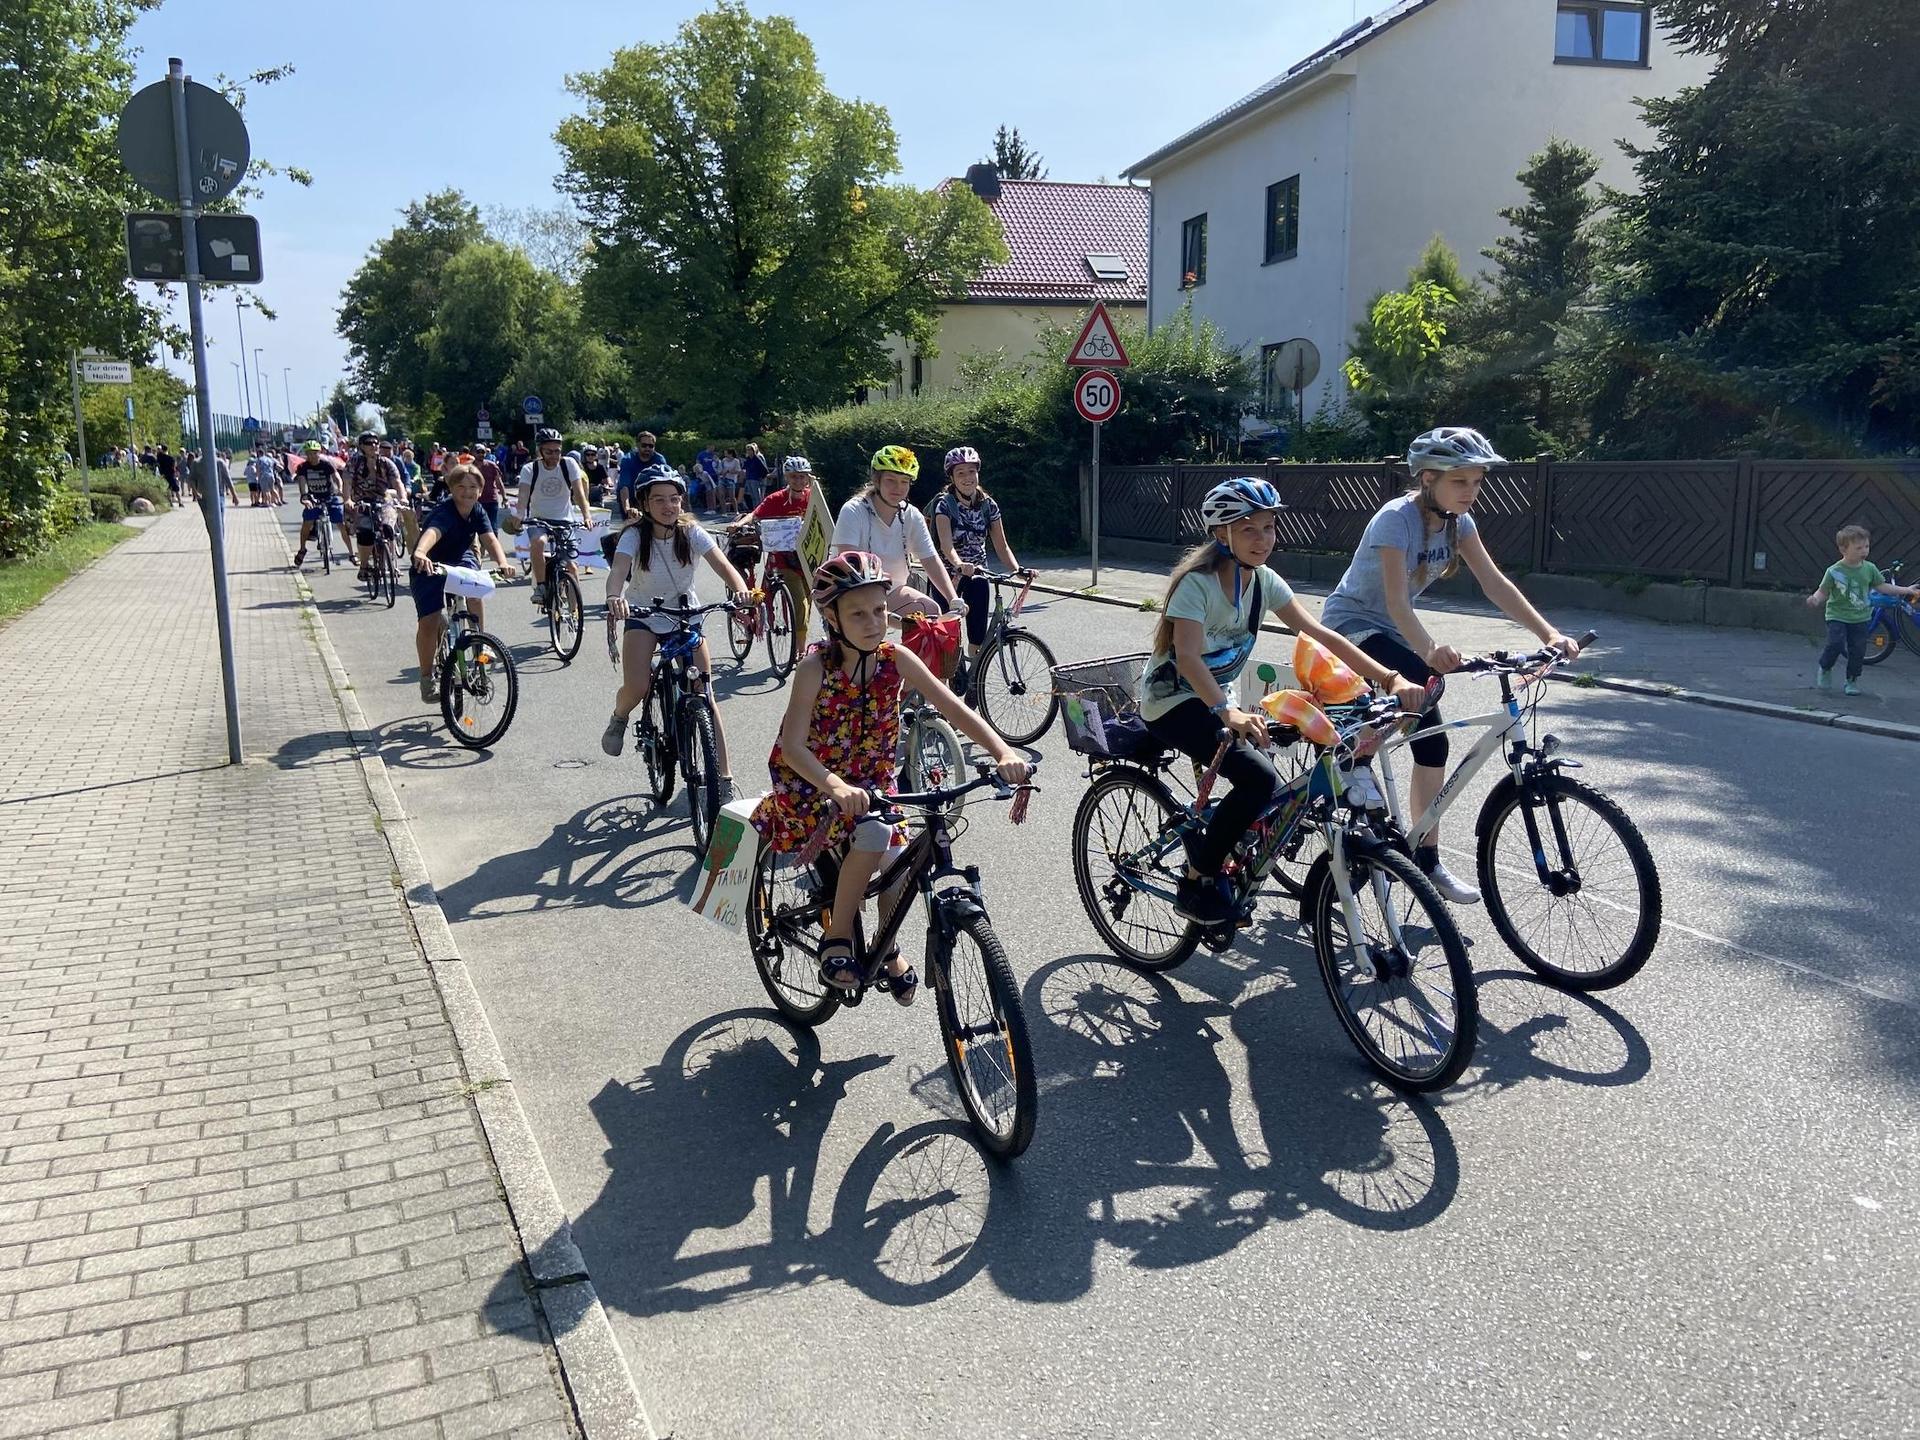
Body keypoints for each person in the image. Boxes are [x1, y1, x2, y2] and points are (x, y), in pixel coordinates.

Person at [1141, 477, 1425, 925]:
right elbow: (1190, 659)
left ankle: (1231, 842)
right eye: (1249, 529)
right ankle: (1197, 876)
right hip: (1173, 701)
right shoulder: (1195, 585)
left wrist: (1388, 677)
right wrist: (1227, 711)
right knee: (1258, 780)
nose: (1263, 539)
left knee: (1271, 785)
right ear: (1222, 534)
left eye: (1269, 527)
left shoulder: (1264, 581)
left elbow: (1321, 635)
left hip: (1217, 698)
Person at [751, 551, 1030, 1003]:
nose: (873, 622)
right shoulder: (814, 668)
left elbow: (952, 708)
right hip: (812, 784)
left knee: (899, 873)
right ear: (832, 618)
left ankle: (887, 946)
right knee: (877, 834)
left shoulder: (895, 658)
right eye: (857, 613)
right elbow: (793, 747)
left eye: (880, 610)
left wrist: (1002, 751)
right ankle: (837, 935)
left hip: (874, 783)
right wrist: (836, 786)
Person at [1321, 427, 1581, 904]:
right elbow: (1397, 603)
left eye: (1477, 481)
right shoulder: (1395, 519)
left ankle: (1424, 855)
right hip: (1351, 627)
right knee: (1426, 705)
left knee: (1429, 741)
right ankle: (1357, 773)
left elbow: (1495, 583)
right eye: (1460, 481)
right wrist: (1429, 650)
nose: (1471, 491)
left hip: (1395, 634)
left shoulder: (1460, 525)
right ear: (1427, 479)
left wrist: (1548, 634)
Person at [600, 467, 750, 800]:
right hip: (643, 614)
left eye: (674, 498)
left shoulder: (692, 532)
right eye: (659, 500)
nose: (669, 506)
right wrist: (615, 598)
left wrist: (740, 591)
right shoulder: (634, 536)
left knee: (705, 697)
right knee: (637, 685)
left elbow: (725, 567)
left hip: (686, 616)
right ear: (645, 503)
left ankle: (723, 781)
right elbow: (618, 572)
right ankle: (620, 716)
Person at [409, 464, 518, 701]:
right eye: (461, 487)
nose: (467, 492)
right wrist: (420, 553)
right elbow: (433, 533)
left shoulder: (477, 510)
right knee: (429, 621)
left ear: (480, 490)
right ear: (451, 488)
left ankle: (480, 641)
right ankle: (427, 680)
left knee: (476, 588)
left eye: (473, 487)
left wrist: (502, 563)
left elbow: (489, 539)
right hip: (430, 563)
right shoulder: (444, 512)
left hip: (460, 558)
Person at [830, 445, 958, 621]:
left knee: (930, 611)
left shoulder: (912, 515)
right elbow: (848, 561)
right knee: (865, 643)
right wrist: (877, 611)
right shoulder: (853, 510)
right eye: (891, 480)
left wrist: (953, 599)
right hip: (850, 594)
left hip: (892, 592)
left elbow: (930, 559)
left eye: (904, 481)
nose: (898, 488)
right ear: (877, 480)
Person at [931, 445, 1024, 660]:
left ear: (978, 473)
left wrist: (1018, 570)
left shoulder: (988, 506)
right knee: (946, 635)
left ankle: (975, 678)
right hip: (947, 576)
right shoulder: (945, 505)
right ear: (952, 477)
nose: (967, 478)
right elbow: (946, 545)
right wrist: (959, 564)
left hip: (978, 573)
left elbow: (1002, 546)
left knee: (978, 633)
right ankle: (951, 671)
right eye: (960, 473)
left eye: (971, 471)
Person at [1807, 524, 1917, 695]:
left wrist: (1907, 590)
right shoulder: (1834, 571)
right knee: (1835, 644)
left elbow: (1883, 587)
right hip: (1837, 615)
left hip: (1861, 617)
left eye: (1866, 546)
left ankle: (1851, 680)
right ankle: (1825, 667)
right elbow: (1823, 591)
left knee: (1858, 650)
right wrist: (1815, 599)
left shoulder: (1869, 569)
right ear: (1843, 549)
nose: (1864, 551)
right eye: (1858, 548)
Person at [730, 454, 817, 634]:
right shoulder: (776, 498)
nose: (799, 480)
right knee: (801, 605)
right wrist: (739, 524)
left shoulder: (814, 497)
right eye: (794, 476)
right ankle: (801, 653)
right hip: (782, 559)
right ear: (786, 477)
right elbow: (755, 514)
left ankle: (799, 640)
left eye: (802, 476)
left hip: (808, 559)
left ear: (808, 477)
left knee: (808, 603)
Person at [517, 428, 590, 606]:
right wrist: (519, 516)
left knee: (572, 566)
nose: (554, 455)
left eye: (557, 450)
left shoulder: (569, 464)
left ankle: (575, 614)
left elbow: (579, 494)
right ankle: (540, 587)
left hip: (565, 519)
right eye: (549, 451)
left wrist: (586, 515)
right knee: (538, 542)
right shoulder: (530, 469)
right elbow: (523, 497)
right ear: (540, 451)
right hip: (539, 519)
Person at [345, 432, 406, 580]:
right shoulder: (354, 462)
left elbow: (397, 481)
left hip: (382, 499)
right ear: (361, 446)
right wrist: (348, 499)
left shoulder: (386, 462)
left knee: (388, 523)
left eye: (376, 442)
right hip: (361, 500)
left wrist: (403, 497)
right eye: (369, 443)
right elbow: (346, 481)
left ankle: (389, 560)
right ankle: (364, 566)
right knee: (365, 533)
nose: (373, 445)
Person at [291, 442, 343, 567]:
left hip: (329, 495)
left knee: (341, 520)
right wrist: (304, 495)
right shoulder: (303, 467)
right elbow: (302, 482)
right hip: (313, 497)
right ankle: (302, 549)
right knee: (306, 523)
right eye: (309, 453)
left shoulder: (326, 465)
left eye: (315, 453)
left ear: (319, 453)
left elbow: (336, 477)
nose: (312, 456)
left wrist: (340, 488)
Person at [616, 431, 663, 518]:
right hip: (630, 497)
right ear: (637, 445)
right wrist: (627, 509)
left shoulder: (659, 460)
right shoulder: (628, 459)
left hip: (649, 498)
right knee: (631, 525)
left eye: (651, 446)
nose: (647, 448)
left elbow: (665, 483)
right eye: (644, 445)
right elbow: (624, 487)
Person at [741, 442, 769, 510]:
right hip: (749, 478)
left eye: (750, 450)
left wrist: (761, 477)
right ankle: (755, 509)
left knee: (757, 496)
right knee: (752, 496)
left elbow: (764, 469)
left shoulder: (757, 458)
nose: (748, 451)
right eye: (747, 450)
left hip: (755, 479)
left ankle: (760, 510)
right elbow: (745, 467)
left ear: (753, 450)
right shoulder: (748, 459)